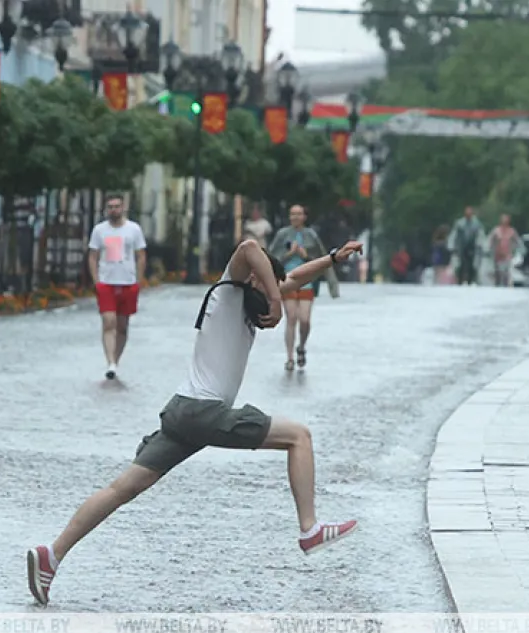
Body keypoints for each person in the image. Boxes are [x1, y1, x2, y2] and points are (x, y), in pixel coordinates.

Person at [25, 238, 364, 606]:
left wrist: (331, 258)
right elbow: (250, 247)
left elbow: (294, 276)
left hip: (183, 411)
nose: (268, 303)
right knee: (299, 436)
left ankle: (52, 554)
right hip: (204, 412)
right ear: (254, 278)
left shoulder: (243, 301)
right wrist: (276, 301)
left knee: (121, 489)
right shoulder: (230, 290)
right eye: (266, 288)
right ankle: (309, 529)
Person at [267, 205, 336, 371]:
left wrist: (306, 256)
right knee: (291, 317)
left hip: (307, 281)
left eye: (299, 214)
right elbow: (271, 258)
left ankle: (302, 346)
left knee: (304, 319)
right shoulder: (282, 235)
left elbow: (322, 259)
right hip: (286, 280)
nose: (295, 217)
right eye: (292, 214)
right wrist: (288, 255)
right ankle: (289, 357)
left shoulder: (311, 235)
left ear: (304, 216)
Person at [87, 194, 147, 380]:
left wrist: (139, 280)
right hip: (106, 282)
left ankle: (116, 360)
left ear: (123, 208)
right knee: (108, 321)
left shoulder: (133, 230)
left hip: (127, 282)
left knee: (122, 325)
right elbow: (93, 255)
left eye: (117, 206)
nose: (113, 210)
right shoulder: (99, 231)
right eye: (110, 206)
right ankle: (110, 361)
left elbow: (141, 255)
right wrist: (96, 280)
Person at [450, 207, 483, 286]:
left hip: (472, 246)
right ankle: (460, 280)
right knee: (461, 263)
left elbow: (480, 234)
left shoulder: (476, 223)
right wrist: (453, 246)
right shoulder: (460, 223)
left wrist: (480, 245)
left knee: (471, 264)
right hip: (462, 246)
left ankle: (470, 280)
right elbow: (455, 235)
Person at [488, 215, 522, 287]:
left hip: (507, 257)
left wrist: (514, 251)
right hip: (498, 257)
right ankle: (497, 289)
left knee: (506, 276)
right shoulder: (496, 231)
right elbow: (490, 241)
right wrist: (491, 250)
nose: (504, 223)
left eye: (506, 221)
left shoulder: (511, 231)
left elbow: (518, 242)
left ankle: (505, 290)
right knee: (498, 276)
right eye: (503, 221)